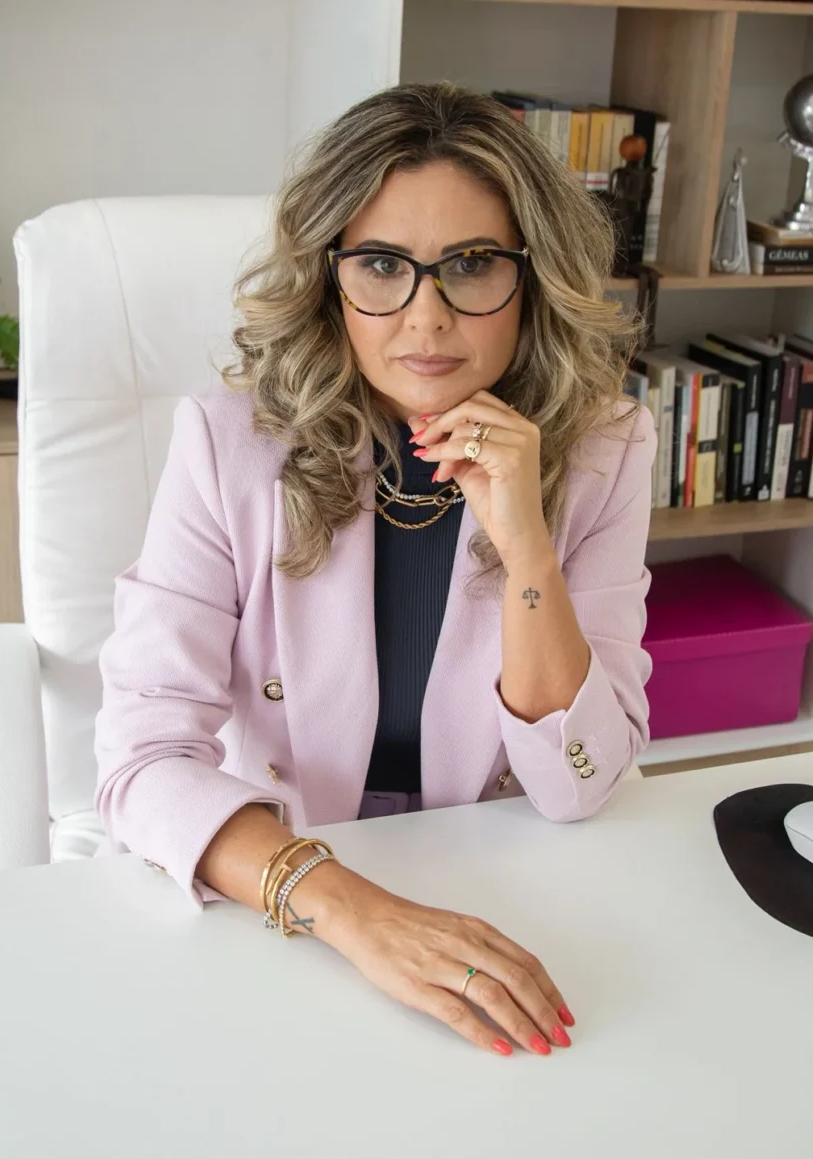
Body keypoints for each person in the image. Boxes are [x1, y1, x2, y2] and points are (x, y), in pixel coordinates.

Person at [94, 82, 656, 1060]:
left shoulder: (606, 447)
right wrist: (357, 912)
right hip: (283, 877)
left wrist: (526, 544)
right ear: (330, 279)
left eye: (471, 264)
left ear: (531, 276)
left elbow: (580, 783)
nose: (426, 319)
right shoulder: (229, 446)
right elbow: (141, 761)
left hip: (507, 874)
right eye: (384, 266)